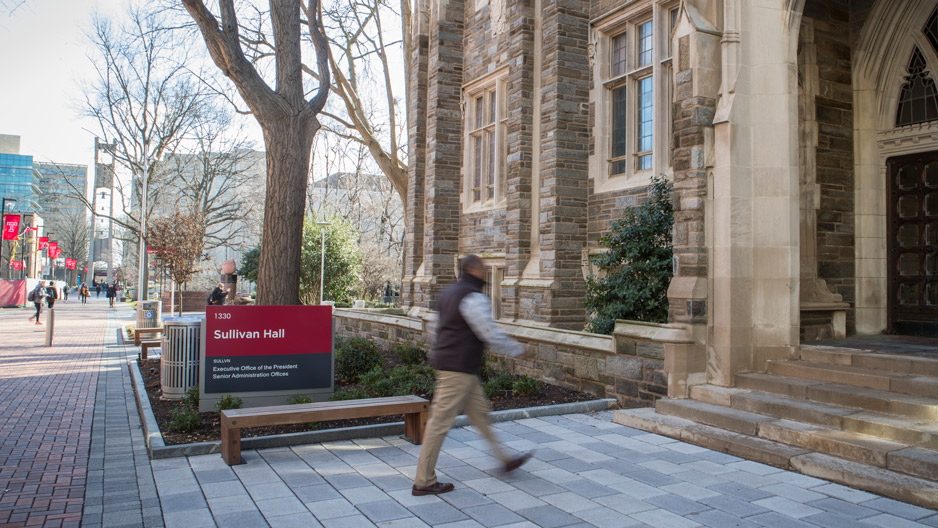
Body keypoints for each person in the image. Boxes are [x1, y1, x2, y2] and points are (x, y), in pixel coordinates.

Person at [411, 254, 531, 496]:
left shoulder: (449, 293)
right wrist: (517, 349)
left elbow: (435, 328)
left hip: (457, 368)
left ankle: (504, 458)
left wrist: (443, 353)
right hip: (459, 370)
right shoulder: (473, 297)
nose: (486, 271)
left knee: (480, 414)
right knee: (439, 424)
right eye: (484, 267)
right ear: (475, 270)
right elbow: (488, 332)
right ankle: (423, 481)